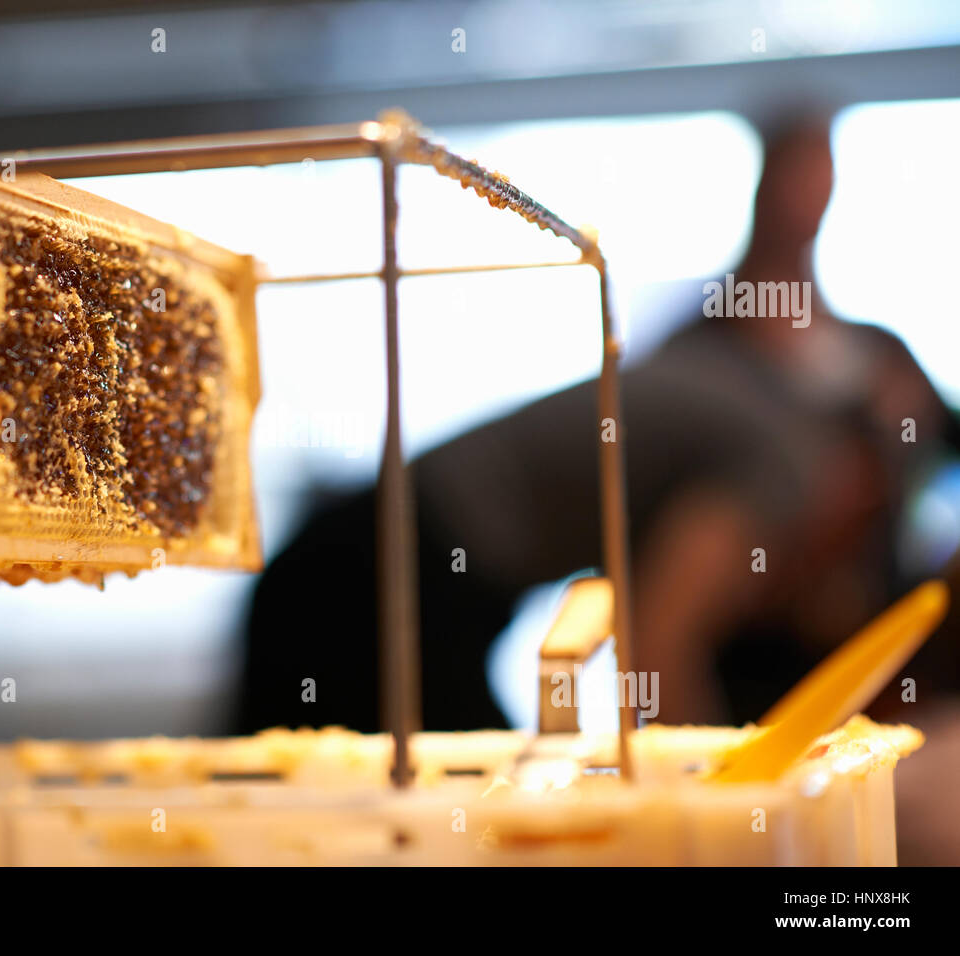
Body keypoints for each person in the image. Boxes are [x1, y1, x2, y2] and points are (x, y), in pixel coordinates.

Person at [233, 109, 960, 749]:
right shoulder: (784, 466)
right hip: (365, 586)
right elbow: (657, 646)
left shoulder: (755, 403)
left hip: (395, 574)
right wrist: (730, 813)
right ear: (859, 489)